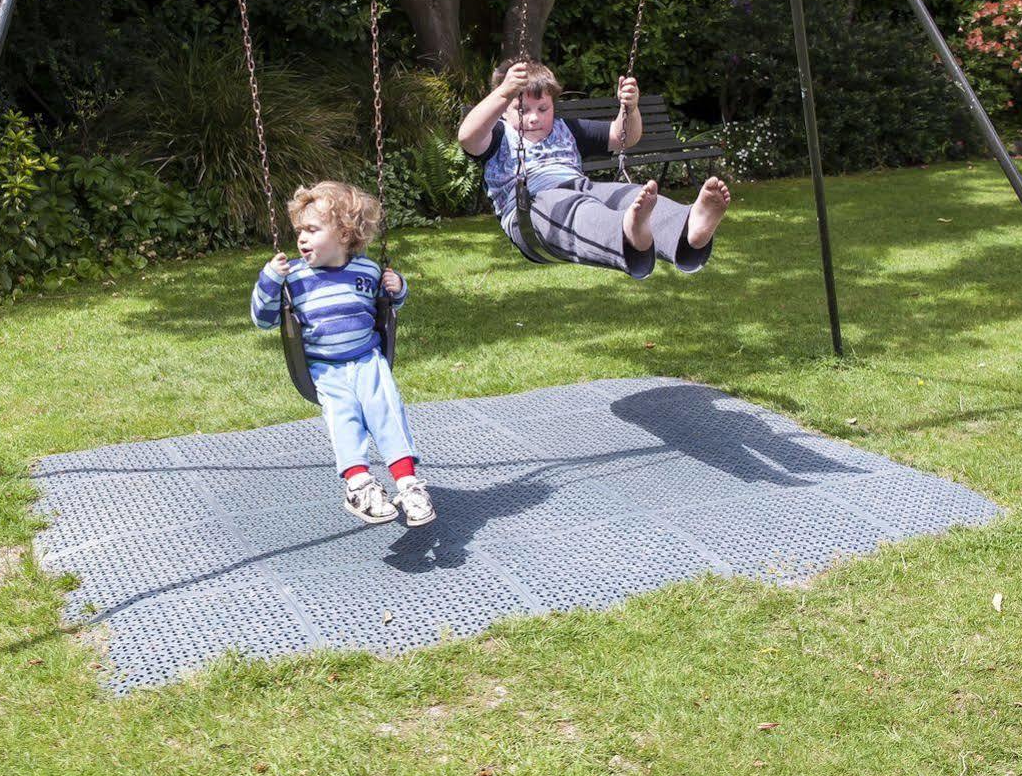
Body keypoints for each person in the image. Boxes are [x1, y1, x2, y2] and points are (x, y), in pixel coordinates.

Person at [250, 181, 433, 528]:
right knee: (343, 416)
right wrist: (269, 280)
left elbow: (388, 305)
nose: (302, 238)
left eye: (312, 230)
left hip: (368, 359)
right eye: (299, 230)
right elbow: (263, 319)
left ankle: (408, 483)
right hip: (325, 368)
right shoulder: (294, 278)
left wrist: (399, 288)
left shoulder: (367, 272)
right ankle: (358, 485)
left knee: (387, 409)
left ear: (345, 234)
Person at [457, 58, 730, 276]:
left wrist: (630, 109)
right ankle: (627, 232)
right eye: (522, 109)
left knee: (628, 195)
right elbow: (467, 136)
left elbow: (624, 136)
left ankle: (689, 230)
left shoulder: (568, 130)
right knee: (573, 209)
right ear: (504, 108)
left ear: (554, 104)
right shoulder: (497, 136)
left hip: (582, 188)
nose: (533, 118)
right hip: (530, 207)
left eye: (543, 108)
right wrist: (503, 92)